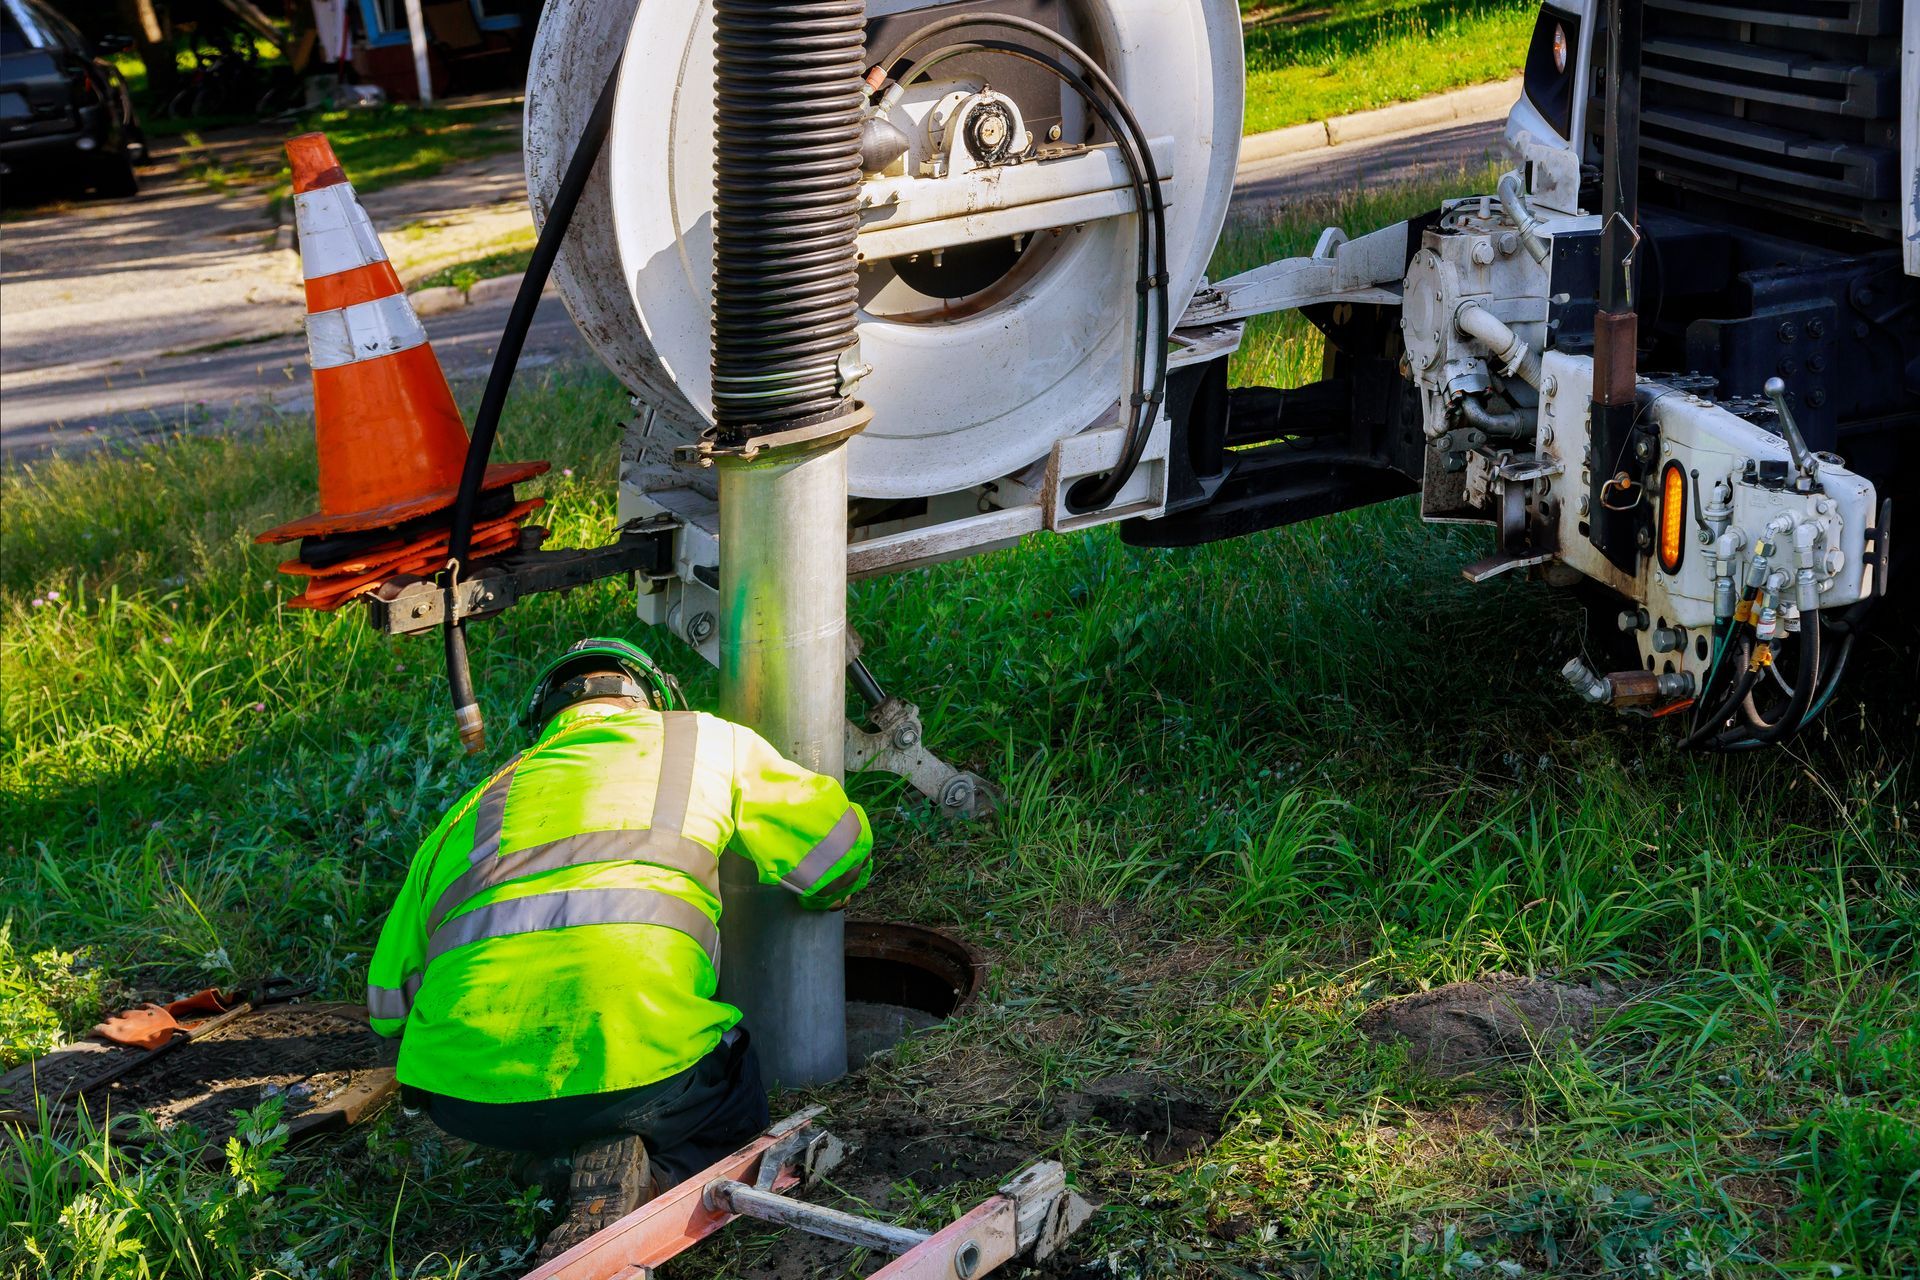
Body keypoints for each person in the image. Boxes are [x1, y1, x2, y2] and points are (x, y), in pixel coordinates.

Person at [366, 637, 873, 1255]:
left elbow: (387, 1007)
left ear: (543, 725)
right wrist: (830, 894)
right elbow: (836, 854)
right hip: (644, 1074)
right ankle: (657, 1182)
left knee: (548, 1107)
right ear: (652, 699)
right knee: (733, 1084)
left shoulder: (464, 812)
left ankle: (551, 1165)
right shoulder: (702, 741)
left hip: (467, 1101)